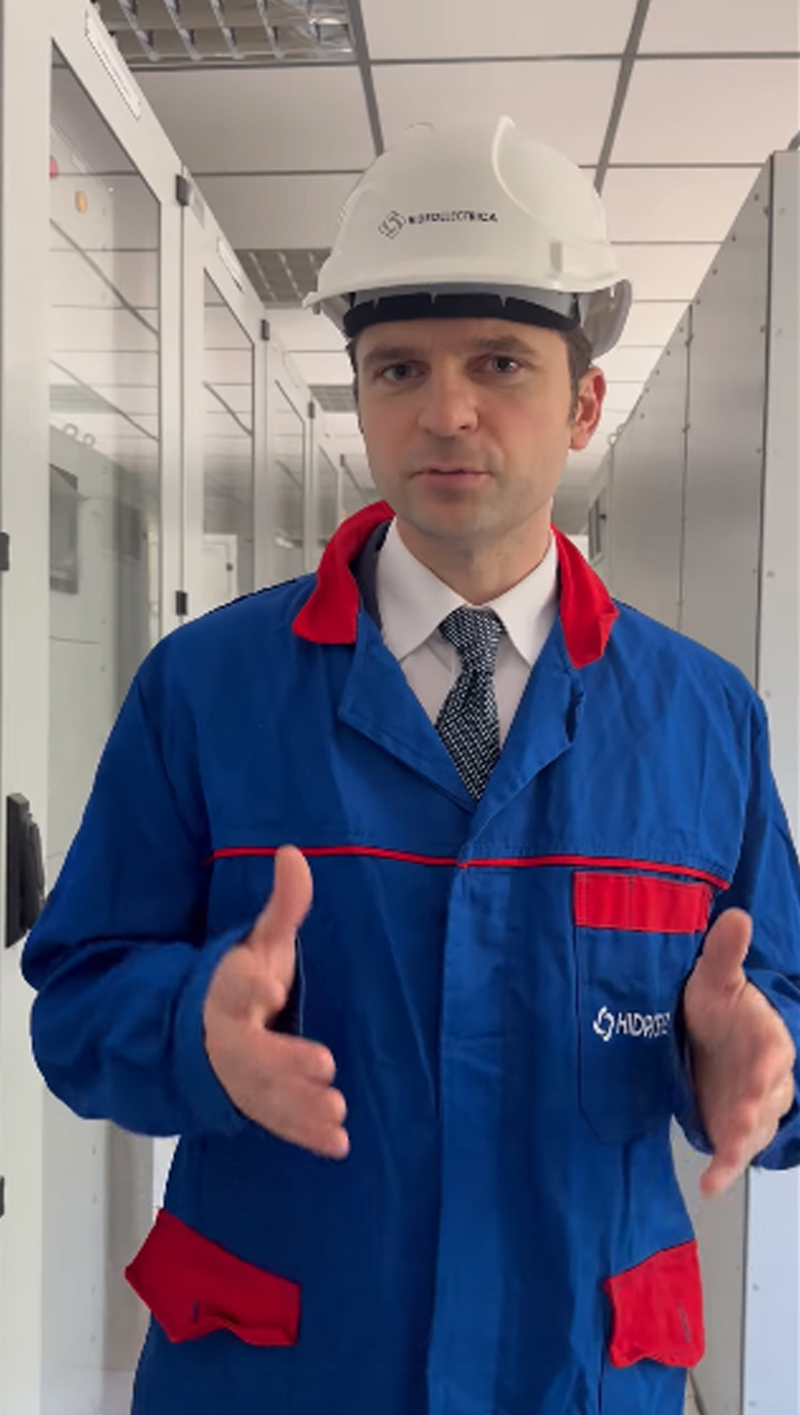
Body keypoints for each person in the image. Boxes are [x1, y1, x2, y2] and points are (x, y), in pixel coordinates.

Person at [23, 117, 799, 1415]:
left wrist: (760, 1069)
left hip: (575, 1371)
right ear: (360, 396)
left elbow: (777, 999)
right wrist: (194, 1026)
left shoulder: (703, 718)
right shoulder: (207, 690)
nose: (446, 411)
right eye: (398, 369)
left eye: (500, 362)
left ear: (584, 402)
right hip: (278, 1373)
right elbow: (77, 1001)